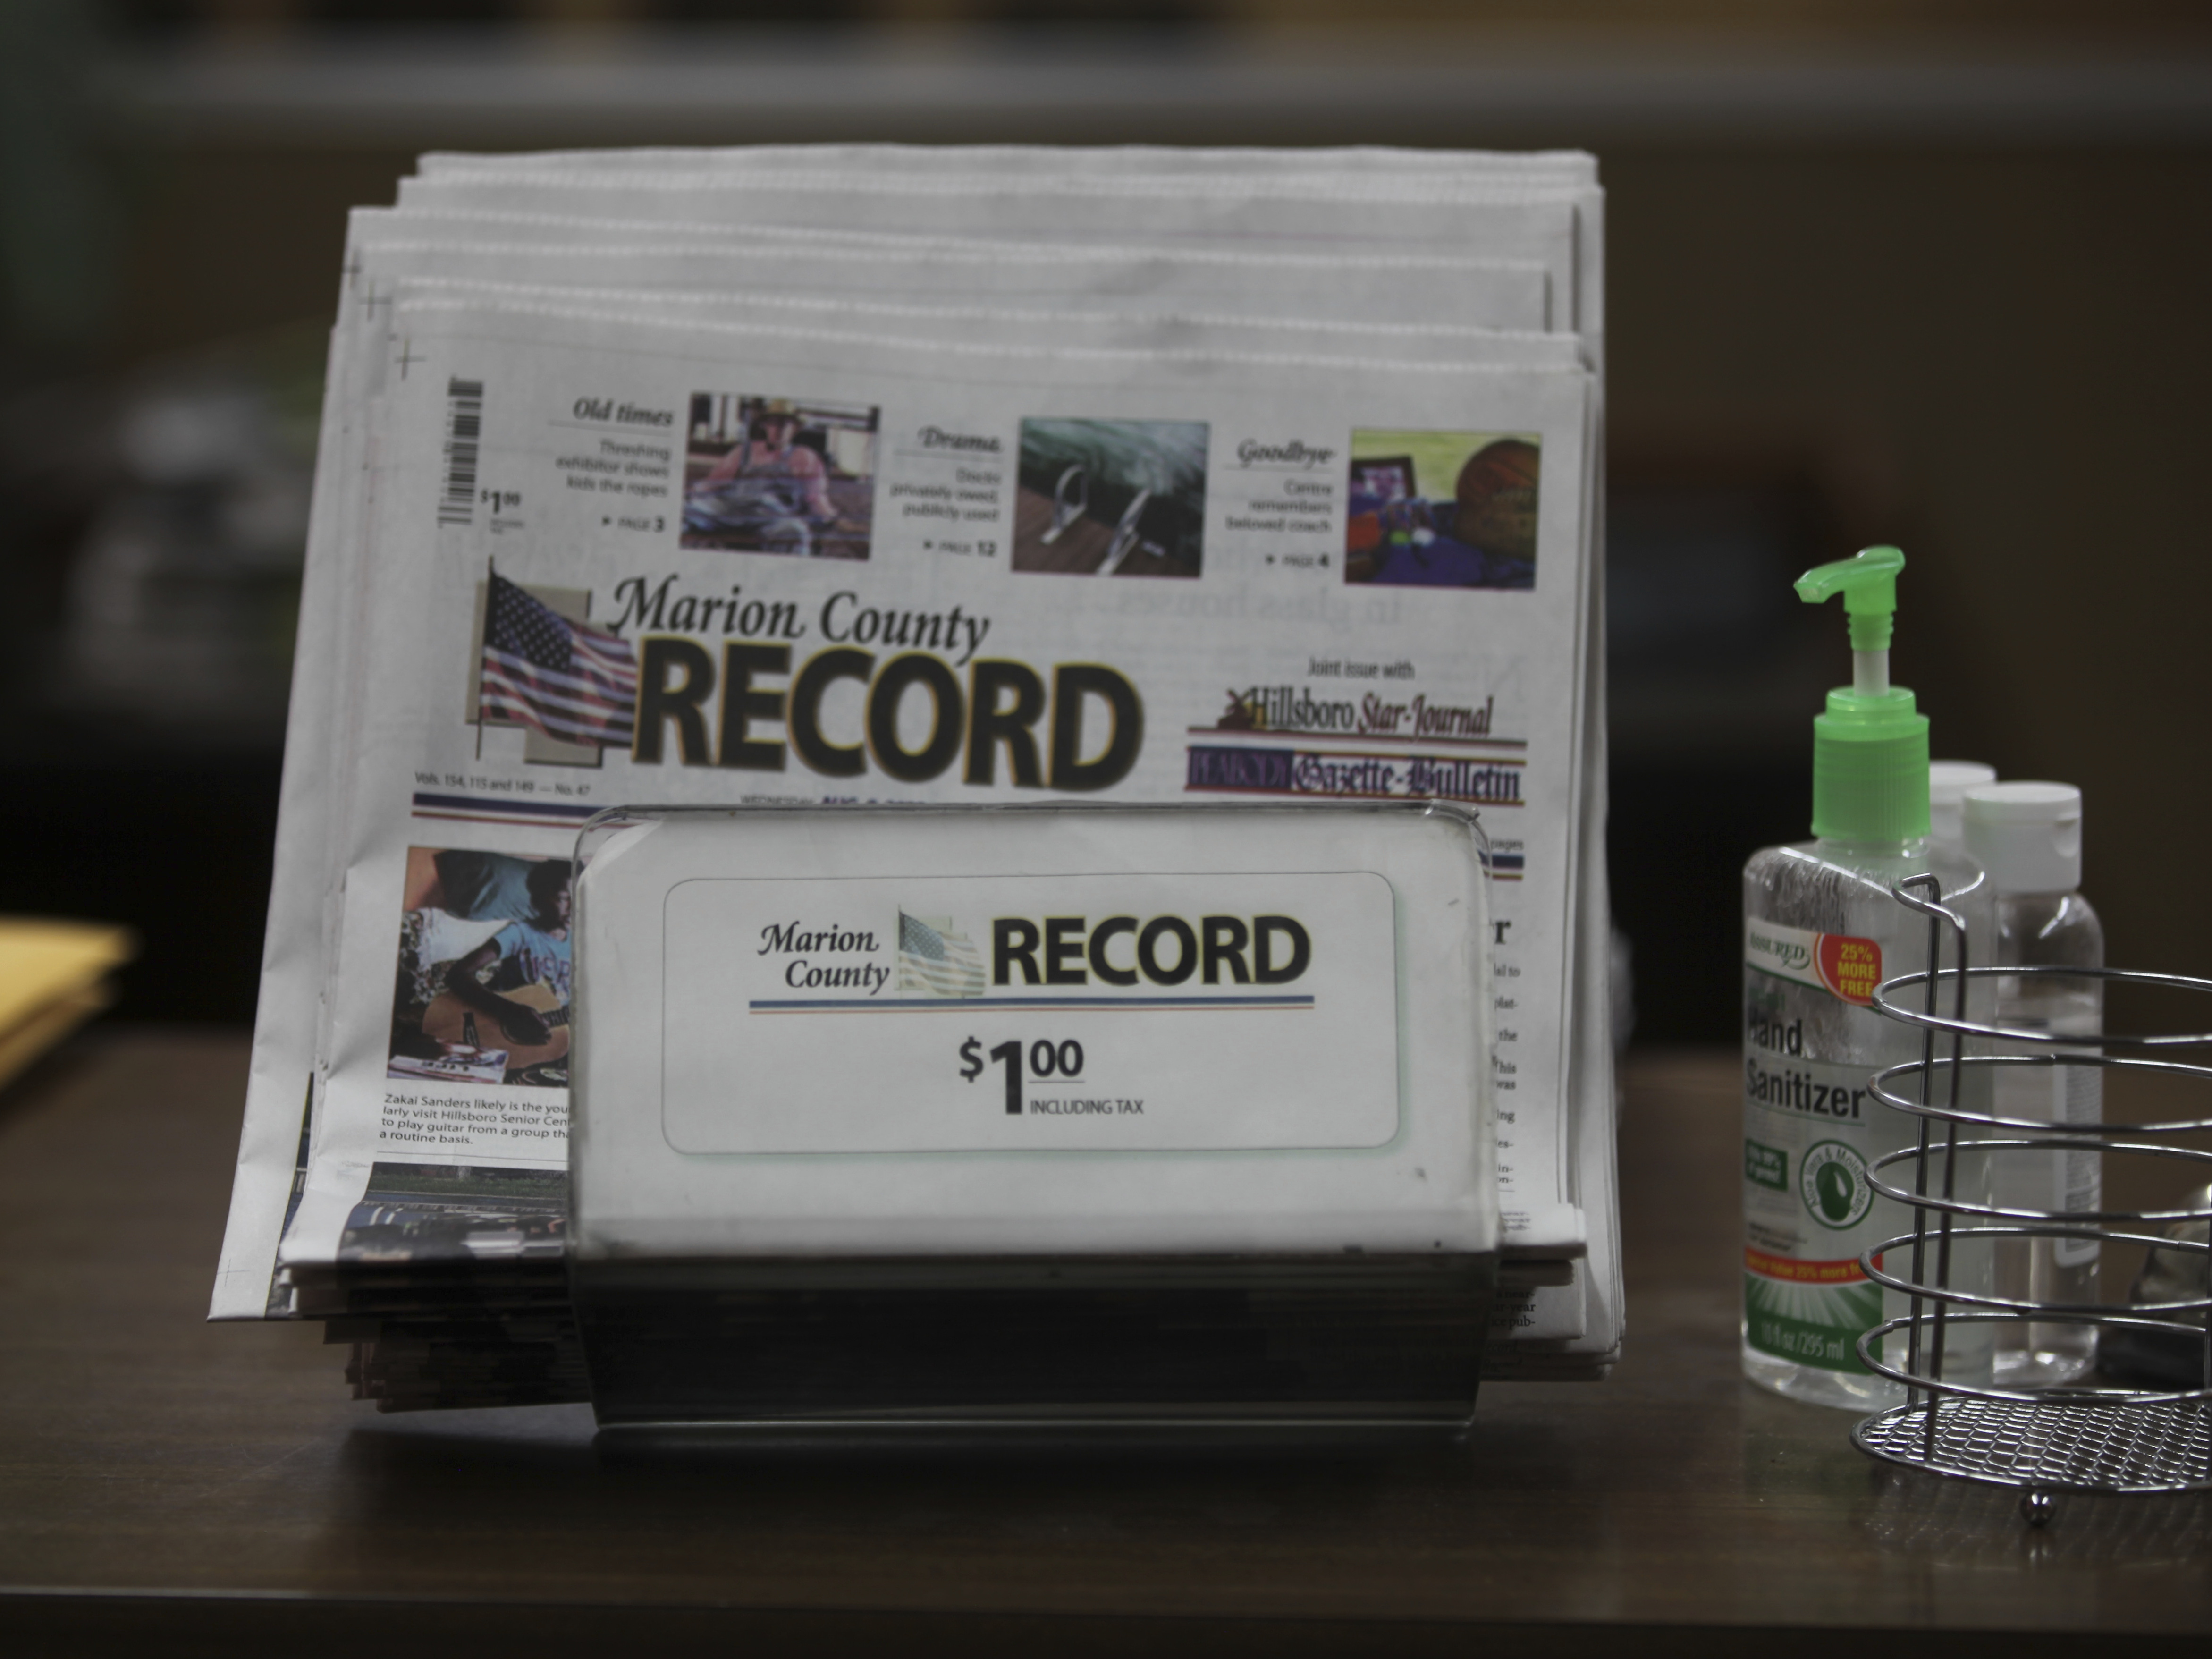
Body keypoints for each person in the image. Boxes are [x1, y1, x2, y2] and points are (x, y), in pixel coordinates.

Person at [442, 859, 572, 1048]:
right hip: (499, 1032)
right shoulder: (520, 933)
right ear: (539, 900)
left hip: (554, 1036)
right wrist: (509, 1011)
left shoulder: (582, 944)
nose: (574, 907)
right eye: (564, 898)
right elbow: (458, 974)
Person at [697, 402, 834, 520]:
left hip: (777, 518)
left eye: (785, 424)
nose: (778, 429)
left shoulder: (807, 458)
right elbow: (714, 483)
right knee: (695, 514)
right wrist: (697, 493)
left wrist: (830, 518)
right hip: (736, 512)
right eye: (773, 423)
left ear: (795, 428)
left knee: (796, 532)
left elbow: (816, 498)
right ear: (765, 425)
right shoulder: (743, 451)